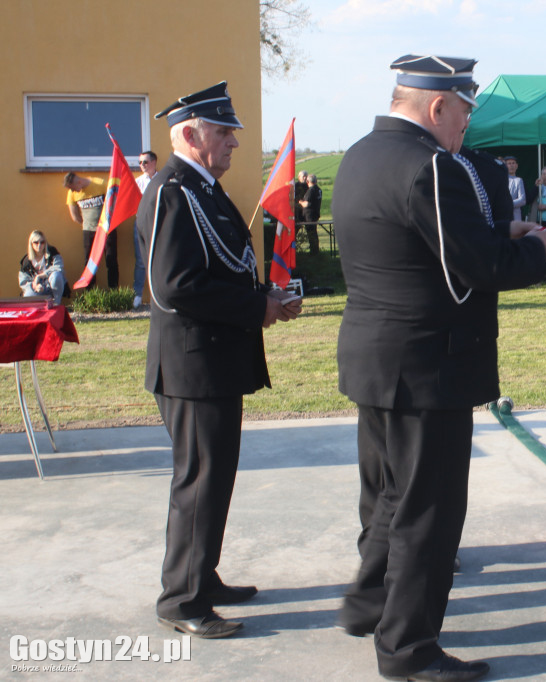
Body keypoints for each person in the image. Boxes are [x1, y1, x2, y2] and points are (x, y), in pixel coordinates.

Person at [331, 54, 546, 682]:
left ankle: (369, 601)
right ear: (437, 106)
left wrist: (494, 232)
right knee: (428, 514)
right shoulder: (432, 166)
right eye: (463, 111)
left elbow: (419, 247)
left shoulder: (360, 154)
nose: (465, 125)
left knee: (385, 498)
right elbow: (476, 270)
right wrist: (534, 246)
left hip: (375, 359)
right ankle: (409, 650)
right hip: (428, 367)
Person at [138, 82, 301, 640]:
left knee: (215, 478)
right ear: (189, 133)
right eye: (223, 131)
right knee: (199, 481)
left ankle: (201, 576)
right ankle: (181, 600)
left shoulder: (200, 188)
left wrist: (266, 298)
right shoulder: (172, 190)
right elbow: (174, 285)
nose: (234, 141)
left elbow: (220, 266)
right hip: (190, 365)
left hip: (211, 363)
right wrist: (257, 307)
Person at [65, 171, 118, 289]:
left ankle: (114, 290)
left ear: (79, 182)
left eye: (74, 189)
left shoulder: (100, 183)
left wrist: (108, 220)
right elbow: (74, 216)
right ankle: (90, 291)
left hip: (107, 229)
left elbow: (114, 201)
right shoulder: (71, 193)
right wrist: (87, 224)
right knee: (89, 261)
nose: (73, 192)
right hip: (88, 231)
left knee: (111, 259)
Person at [132, 151, 160, 307]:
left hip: (159, 224)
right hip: (141, 224)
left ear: (154, 162)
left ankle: (158, 295)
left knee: (159, 259)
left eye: (145, 162)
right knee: (141, 260)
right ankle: (137, 295)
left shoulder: (163, 179)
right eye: (140, 162)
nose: (142, 165)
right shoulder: (138, 182)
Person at [18, 231, 67, 303]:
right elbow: (23, 281)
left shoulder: (52, 252)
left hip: (51, 286)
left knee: (57, 275)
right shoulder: (26, 261)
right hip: (37, 288)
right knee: (27, 296)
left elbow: (58, 267)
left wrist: (40, 276)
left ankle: (56, 303)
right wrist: (35, 285)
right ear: (31, 244)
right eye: (36, 242)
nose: (39, 245)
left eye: (42, 242)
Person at [299, 174, 322, 254]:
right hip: (315, 214)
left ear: (308, 181)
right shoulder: (318, 189)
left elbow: (307, 204)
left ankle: (314, 251)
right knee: (314, 233)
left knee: (311, 234)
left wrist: (300, 202)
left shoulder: (311, 191)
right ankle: (316, 250)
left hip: (309, 216)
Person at [505, 155, 527, 221]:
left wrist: (508, 204)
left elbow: (522, 200)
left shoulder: (519, 180)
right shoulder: (500, 179)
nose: (511, 165)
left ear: (516, 166)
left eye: (513, 163)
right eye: (509, 163)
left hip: (515, 216)